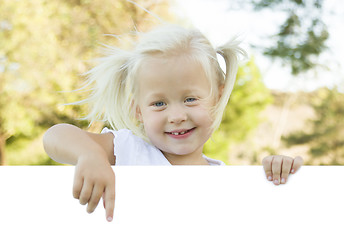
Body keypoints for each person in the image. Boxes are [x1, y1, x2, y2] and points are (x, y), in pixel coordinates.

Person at [43, 24, 303, 222]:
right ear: (138, 111)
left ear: (218, 97)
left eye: (190, 99)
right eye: (158, 104)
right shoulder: (127, 149)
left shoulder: (224, 180)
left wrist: (276, 171)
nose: (176, 115)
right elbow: (55, 136)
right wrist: (90, 155)